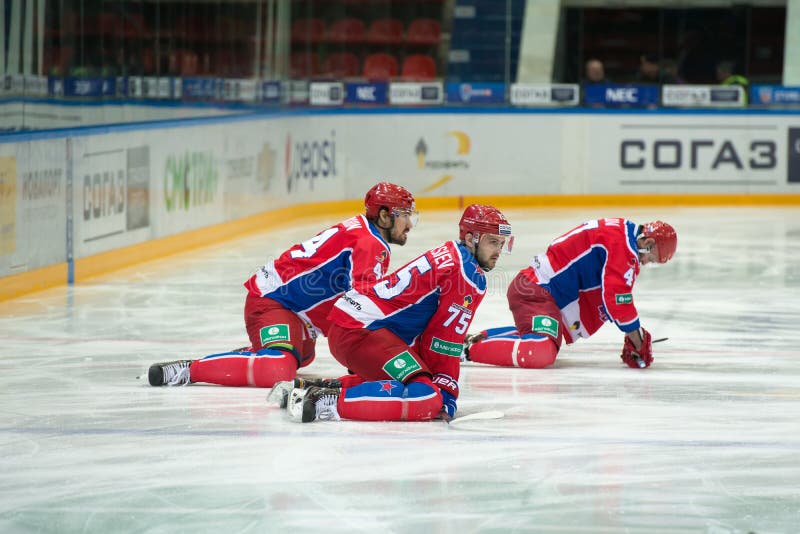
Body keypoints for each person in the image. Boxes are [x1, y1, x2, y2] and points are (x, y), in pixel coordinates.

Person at [146, 182, 418, 388]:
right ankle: (188, 370)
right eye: (404, 214)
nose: (410, 224)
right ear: (384, 216)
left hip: (295, 315)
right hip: (271, 303)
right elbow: (366, 306)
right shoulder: (371, 244)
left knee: (302, 356)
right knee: (278, 368)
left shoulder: (364, 233)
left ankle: (264, 348)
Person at [270, 204, 513, 423]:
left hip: (356, 325)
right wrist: (446, 392)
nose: (498, 251)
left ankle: (307, 387)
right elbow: (443, 340)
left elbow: (432, 337)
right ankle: (321, 401)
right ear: (471, 238)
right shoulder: (467, 275)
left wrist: (440, 383)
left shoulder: (453, 254)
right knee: (426, 397)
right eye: (493, 242)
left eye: (501, 244)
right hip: (361, 331)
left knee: (413, 381)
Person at [463, 219, 676, 370]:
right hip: (537, 292)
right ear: (648, 245)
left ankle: (471, 341)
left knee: (543, 336)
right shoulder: (624, 248)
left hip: (539, 290)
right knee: (541, 350)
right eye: (652, 259)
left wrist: (634, 332)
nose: (645, 264)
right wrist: (637, 340)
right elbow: (617, 300)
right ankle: (465, 351)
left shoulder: (621, 232)